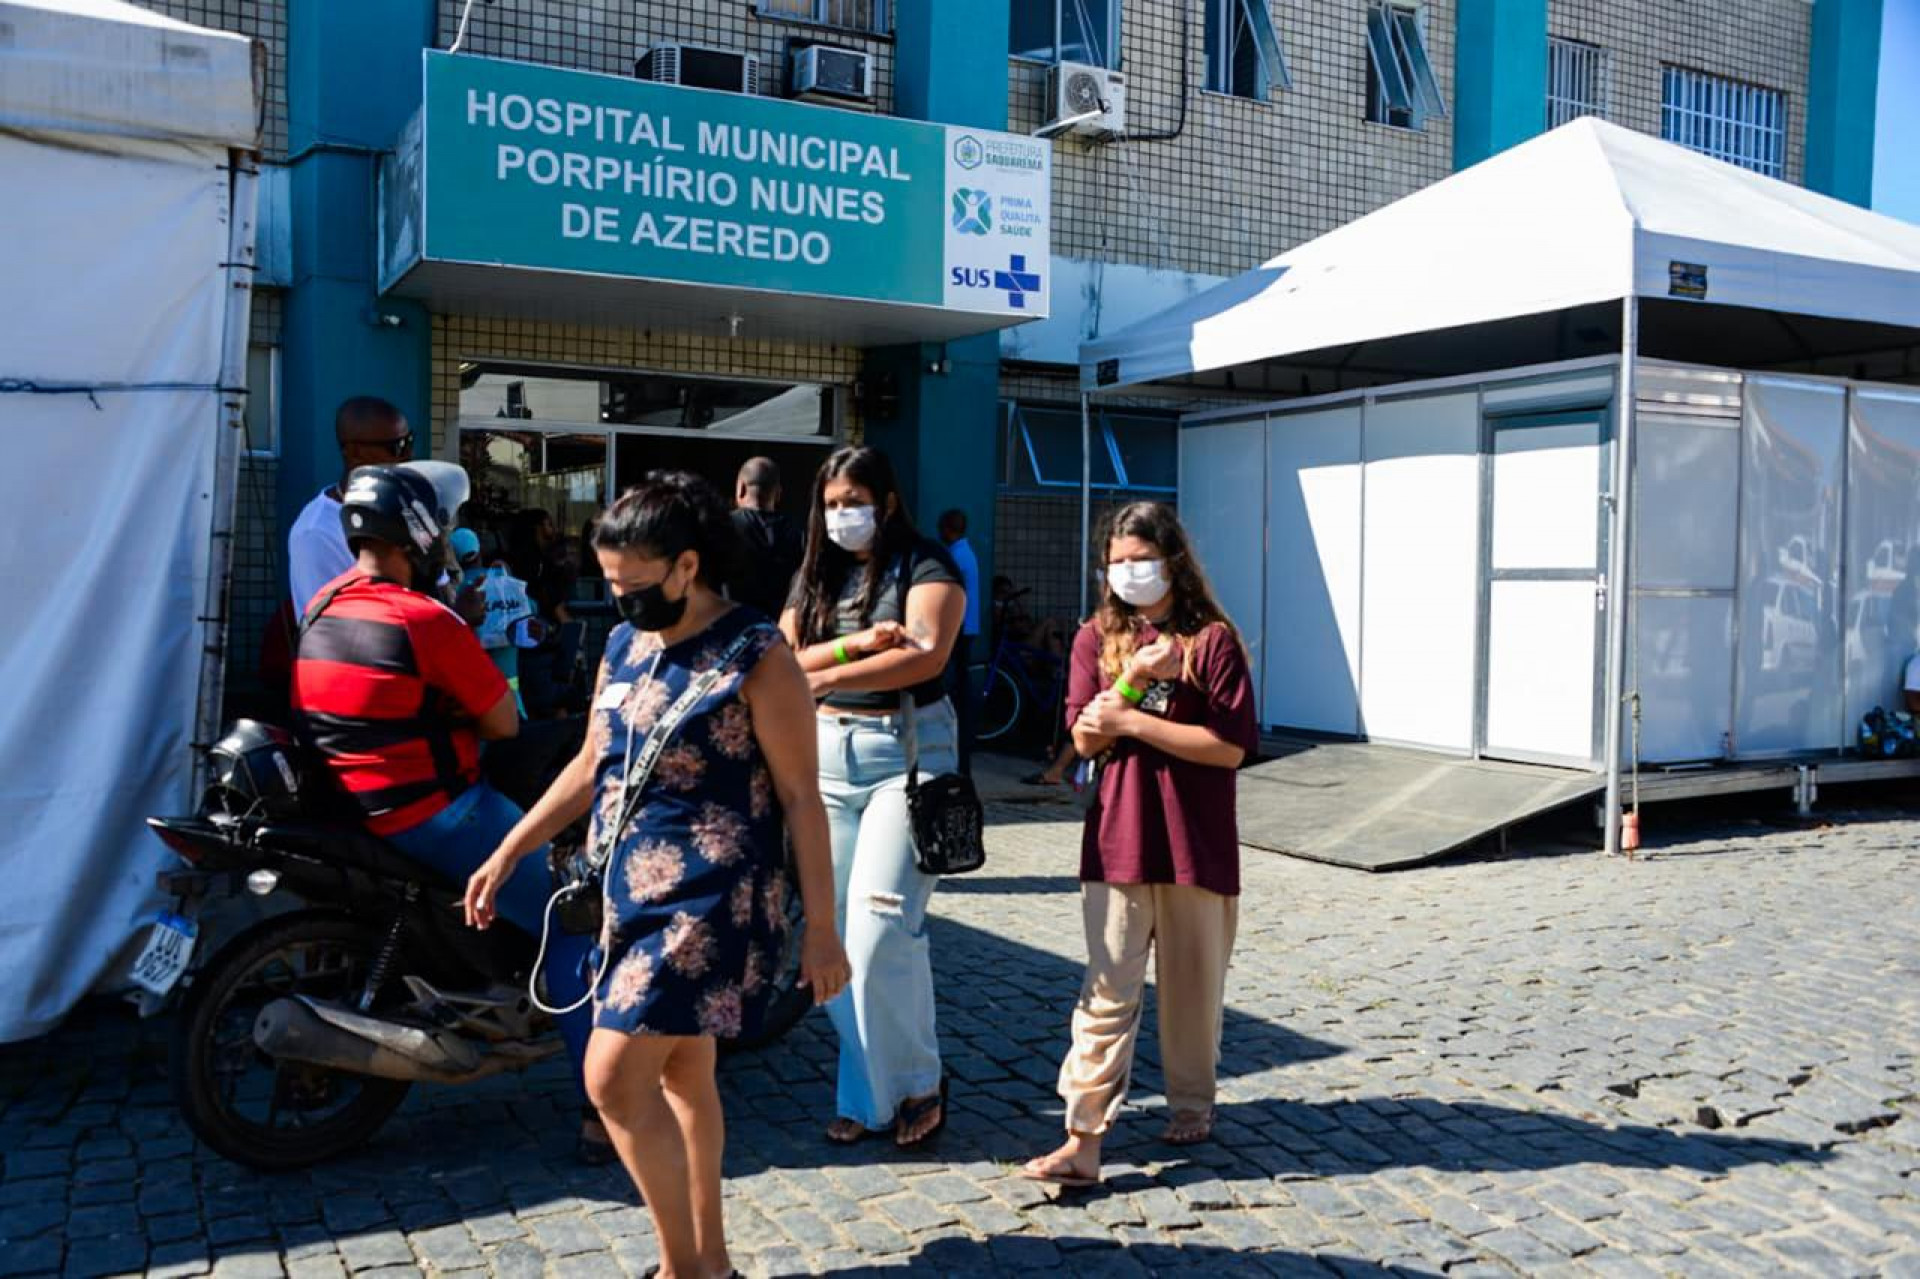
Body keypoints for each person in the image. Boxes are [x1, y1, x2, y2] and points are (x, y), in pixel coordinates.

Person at [465, 473, 849, 1279]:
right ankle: (711, 1258)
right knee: (682, 1071)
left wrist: (823, 926)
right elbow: (589, 763)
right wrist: (511, 848)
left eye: (633, 582)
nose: (619, 596)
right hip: (629, 889)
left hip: (716, 897)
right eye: (609, 582)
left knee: (610, 1079)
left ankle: (685, 1272)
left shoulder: (758, 653)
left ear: (686, 564)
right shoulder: (623, 644)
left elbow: (801, 797)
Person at [288, 463, 607, 1159]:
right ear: (426, 535)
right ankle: (601, 1111)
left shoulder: (323, 604)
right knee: (571, 920)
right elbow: (501, 724)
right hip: (435, 812)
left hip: (358, 804)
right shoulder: (425, 619)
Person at [1021, 501, 1258, 1188]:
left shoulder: (1212, 640)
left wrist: (1133, 721)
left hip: (1195, 839)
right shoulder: (1095, 637)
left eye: (1140, 558)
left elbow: (1228, 747)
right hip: (1119, 837)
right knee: (1106, 988)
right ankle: (1083, 1134)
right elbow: (1083, 736)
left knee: (1194, 986)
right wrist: (1136, 683)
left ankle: (1193, 1101)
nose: (1128, 572)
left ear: (1172, 558)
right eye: (1117, 561)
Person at [780, 447, 967, 1149]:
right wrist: (857, 648)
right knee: (828, 938)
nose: (841, 514)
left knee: (882, 927)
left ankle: (920, 1080)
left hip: (908, 755)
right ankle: (869, 1094)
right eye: (830, 503)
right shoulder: (815, 571)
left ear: (886, 500)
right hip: (825, 760)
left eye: (854, 499)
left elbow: (926, 653)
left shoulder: (926, 563)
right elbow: (780, 658)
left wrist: (821, 669)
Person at [287, 397, 413, 612]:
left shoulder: (404, 508)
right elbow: (330, 624)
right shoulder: (317, 532)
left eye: (409, 441)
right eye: (397, 447)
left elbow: (438, 588)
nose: (408, 456)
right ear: (354, 452)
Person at [727, 457, 804, 619]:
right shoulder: (797, 533)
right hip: (780, 631)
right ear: (778, 494)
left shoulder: (724, 527)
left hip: (734, 629)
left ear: (741, 488)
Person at [937, 509, 983, 773]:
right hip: (968, 624)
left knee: (956, 682)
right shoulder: (966, 553)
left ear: (947, 528)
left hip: (960, 626)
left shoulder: (955, 556)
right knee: (961, 680)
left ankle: (962, 731)